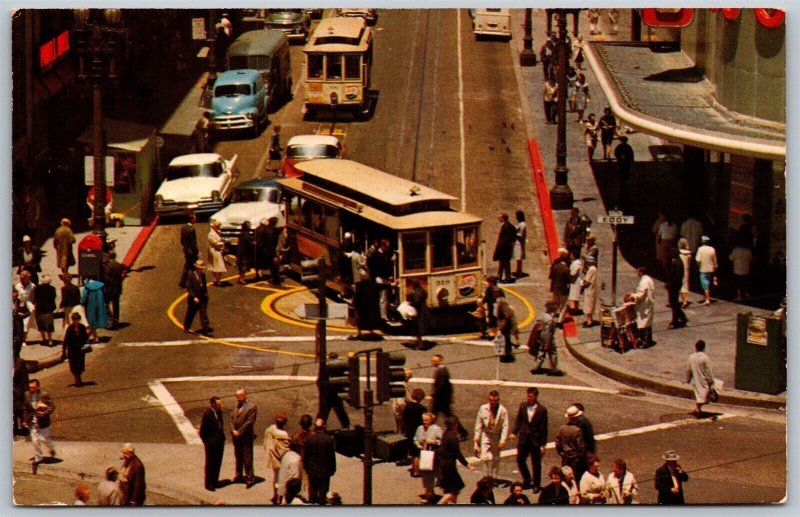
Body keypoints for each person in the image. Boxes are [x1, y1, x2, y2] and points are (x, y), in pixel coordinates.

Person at [509, 387, 548, 492]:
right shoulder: (523, 406)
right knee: (520, 460)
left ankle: (536, 485)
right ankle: (527, 478)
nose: (529, 398)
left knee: (536, 463)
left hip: (535, 440)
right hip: (523, 439)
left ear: (535, 396)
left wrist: (543, 444)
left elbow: (544, 428)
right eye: (528, 396)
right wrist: (514, 432)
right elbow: (519, 420)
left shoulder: (542, 410)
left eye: (531, 397)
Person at [473, 390, 509, 481]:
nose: (493, 403)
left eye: (495, 401)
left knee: (495, 457)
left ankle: (494, 477)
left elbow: (505, 425)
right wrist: (477, 437)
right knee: (484, 457)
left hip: (496, 434)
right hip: (486, 433)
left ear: (498, 400)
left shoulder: (502, 410)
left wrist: (503, 440)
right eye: (491, 401)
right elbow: (479, 423)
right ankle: (485, 477)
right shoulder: (483, 408)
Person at [437, 416, 474, 504]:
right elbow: (458, 454)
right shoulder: (453, 438)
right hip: (450, 465)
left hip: (443, 464)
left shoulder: (445, 434)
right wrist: (467, 465)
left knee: (449, 489)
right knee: (455, 489)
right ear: (454, 425)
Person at [23, 379, 56, 473]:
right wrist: (25, 420)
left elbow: (52, 406)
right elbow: (25, 408)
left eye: (33, 387)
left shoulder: (44, 394)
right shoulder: (27, 395)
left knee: (43, 439)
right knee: (35, 440)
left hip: (43, 421)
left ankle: (51, 448)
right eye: (30, 387)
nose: (31, 389)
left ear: (37, 387)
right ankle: (38, 458)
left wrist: (44, 413)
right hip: (32, 421)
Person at [303, 418, 336, 505]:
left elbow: (305, 456)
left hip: (312, 470)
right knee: (323, 491)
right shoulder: (329, 440)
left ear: (315, 427)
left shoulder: (308, 439)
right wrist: (333, 469)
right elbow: (331, 457)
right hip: (324, 471)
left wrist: (306, 467)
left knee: (312, 490)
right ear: (324, 426)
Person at [231, 388, 257, 488]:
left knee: (247, 458)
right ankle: (238, 475)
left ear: (245, 396)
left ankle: (250, 478)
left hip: (245, 437)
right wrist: (233, 430)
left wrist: (239, 432)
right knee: (238, 457)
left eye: (239, 396)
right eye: (236, 396)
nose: (237, 398)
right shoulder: (235, 406)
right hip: (236, 437)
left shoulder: (252, 407)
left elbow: (250, 422)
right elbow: (231, 419)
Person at [414, 412, 443, 503]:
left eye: (426, 420)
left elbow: (443, 440)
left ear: (431, 420)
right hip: (423, 455)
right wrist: (418, 444)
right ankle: (430, 494)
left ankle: (428, 496)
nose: (424, 422)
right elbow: (415, 438)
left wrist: (434, 442)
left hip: (434, 455)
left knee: (433, 474)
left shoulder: (436, 429)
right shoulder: (420, 428)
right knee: (426, 475)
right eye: (423, 420)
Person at [264, 411, 291, 504]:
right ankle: (279, 498)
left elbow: (266, 442)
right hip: (281, 460)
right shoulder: (284, 435)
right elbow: (285, 449)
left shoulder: (270, 429)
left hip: (273, 458)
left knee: (276, 478)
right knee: (281, 479)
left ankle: (275, 495)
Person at [199, 395, 225, 492]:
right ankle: (208, 483)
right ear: (213, 404)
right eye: (218, 404)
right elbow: (202, 432)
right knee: (210, 464)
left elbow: (220, 426)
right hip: (211, 445)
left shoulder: (219, 412)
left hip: (219, 443)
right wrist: (208, 443)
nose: (220, 406)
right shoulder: (207, 414)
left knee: (217, 463)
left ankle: (215, 481)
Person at [555, 405, 587, 483]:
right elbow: (581, 447)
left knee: (565, 475)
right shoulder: (577, 430)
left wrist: (561, 452)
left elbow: (558, 443)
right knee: (575, 477)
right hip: (574, 458)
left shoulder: (562, 428)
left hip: (564, 456)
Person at [531, 300, 563, 375]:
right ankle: (554, 368)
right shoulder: (550, 319)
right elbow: (548, 332)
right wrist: (547, 343)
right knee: (553, 352)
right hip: (548, 338)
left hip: (541, 336)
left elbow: (536, 325)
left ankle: (537, 366)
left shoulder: (542, 315)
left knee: (541, 351)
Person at [687, 340, 716, 418]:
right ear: (704, 347)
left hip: (695, 380)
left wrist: (688, 379)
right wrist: (711, 380)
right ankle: (698, 408)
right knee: (704, 396)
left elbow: (689, 370)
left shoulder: (691, 357)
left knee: (699, 395)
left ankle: (698, 408)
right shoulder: (705, 358)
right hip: (704, 380)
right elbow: (708, 370)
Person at [322, 352, 351, 429]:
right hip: (337, 391)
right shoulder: (340, 366)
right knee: (340, 411)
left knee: (325, 413)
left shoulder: (327, 366)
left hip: (329, 392)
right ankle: (346, 426)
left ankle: (321, 427)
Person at [184, 260, 213, 336]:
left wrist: (206, 295)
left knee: (203, 314)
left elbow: (204, 286)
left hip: (202, 297)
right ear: (196, 268)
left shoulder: (203, 275)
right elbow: (189, 287)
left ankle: (205, 329)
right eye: (199, 268)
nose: (200, 269)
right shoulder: (190, 275)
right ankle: (186, 327)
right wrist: (194, 297)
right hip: (194, 299)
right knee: (191, 313)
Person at [402, 388, 426, 477]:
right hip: (417, 432)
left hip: (409, 431)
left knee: (412, 452)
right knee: (417, 453)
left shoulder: (407, 407)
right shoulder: (422, 409)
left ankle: (412, 468)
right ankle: (417, 471)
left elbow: (403, 418)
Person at [63, 312, 89, 387]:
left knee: (80, 366)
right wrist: (64, 350)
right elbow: (66, 340)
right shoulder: (70, 329)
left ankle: (78, 378)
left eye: (77, 320)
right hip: (72, 351)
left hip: (80, 350)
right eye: (75, 320)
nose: (76, 321)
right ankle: (77, 380)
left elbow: (85, 337)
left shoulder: (82, 327)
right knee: (73, 366)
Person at [631, 266, 655, 348]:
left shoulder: (644, 281)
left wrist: (633, 296)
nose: (637, 274)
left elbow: (641, 294)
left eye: (637, 272)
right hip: (648, 304)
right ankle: (649, 340)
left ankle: (645, 342)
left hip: (644, 306)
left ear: (641, 272)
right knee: (647, 324)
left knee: (643, 324)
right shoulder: (649, 279)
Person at [31, 274, 56, 347]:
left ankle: (44, 339)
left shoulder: (37, 288)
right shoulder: (52, 288)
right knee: (49, 325)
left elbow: (34, 298)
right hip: (49, 308)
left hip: (40, 308)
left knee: (41, 324)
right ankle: (50, 340)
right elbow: (53, 297)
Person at [81, 275, 107, 343]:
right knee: (93, 322)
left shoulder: (87, 287)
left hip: (90, 306)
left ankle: (88, 338)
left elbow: (84, 297)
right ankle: (95, 337)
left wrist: (81, 302)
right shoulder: (100, 285)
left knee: (90, 322)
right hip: (99, 305)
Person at [408, 279, 433, 349]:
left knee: (418, 328)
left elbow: (416, 302)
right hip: (422, 310)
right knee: (418, 329)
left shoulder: (417, 292)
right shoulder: (421, 290)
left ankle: (420, 344)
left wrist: (410, 303)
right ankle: (418, 342)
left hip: (419, 312)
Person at [666, 247, 688, 329]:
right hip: (674, 284)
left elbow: (676, 276)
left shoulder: (676, 262)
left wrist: (670, 284)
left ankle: (675, 321)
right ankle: (682, 317)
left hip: (674, 285)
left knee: (674, 304)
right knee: (674, 303)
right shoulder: (677, 261)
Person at [104, 251, 125, 329]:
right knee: (116, 304)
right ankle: (116, 319)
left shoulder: (108, 266)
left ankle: (110, 319)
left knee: (105, 304)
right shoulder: (119, 265)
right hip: (117, 288)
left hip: (109, 288)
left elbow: (107, 277)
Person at [493, 213, 517, 284]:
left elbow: (504, 238)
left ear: (503, 218)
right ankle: (500, 276)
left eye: (499, 218)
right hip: (505, 248)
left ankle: (507, 277)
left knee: (505, 263)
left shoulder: (505, 226)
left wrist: (502, 245)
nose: (498, 219)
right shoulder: (509, 226)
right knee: (502, 263)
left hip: (504, 248)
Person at [277, 440, 302, 505]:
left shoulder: (286, 454)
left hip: (283, 484)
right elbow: (295, 475)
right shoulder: (297, 458)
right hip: (290, 488)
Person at [729, 235, 754, 300]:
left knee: (738, 283)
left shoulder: (736, 250)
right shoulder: (748, 250)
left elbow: (730, 258)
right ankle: (746, 293)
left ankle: (739, 296)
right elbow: (751, 258)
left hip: (737, 269)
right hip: (746, 269)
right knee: (745, 282)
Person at [695, 235, 718, 306]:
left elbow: (698, 260)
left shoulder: (700, 249)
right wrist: (715, 266)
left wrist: (698, 266)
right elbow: (715, 260)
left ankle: (707, 299)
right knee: (708, 283)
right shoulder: (712, 249)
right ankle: (705, 296)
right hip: (711, 269)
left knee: (705, 284)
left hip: (703, 269)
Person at [495, 296, 519, 362]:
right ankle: (506, 354)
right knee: (506, 340)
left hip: (504, 328)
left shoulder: (502, 306)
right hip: (505, 327)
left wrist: (501, 327)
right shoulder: (504, 308)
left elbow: (505, 319)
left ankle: (505, 354)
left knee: (505, 341)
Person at [179, 211, 199, 289]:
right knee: (194, 267)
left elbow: (182, 240)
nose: (196, 219)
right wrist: (196, 252)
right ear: (191, 219)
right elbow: (193, 243)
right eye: (194, 217)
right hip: (192, 252)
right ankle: (194, 281)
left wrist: (185, 248)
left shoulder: (183, 228)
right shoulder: (192, 230)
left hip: (186, 250)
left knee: (187, 266)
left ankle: (182, 282)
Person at [614, 136, 635, 208]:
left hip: (625, 163)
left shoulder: (623, 147)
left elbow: (631, 156)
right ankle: (623, 183)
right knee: (623, 174)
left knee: (624, 174)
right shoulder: (625, 147)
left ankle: (624, 183)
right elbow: (616, 154)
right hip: (623, 163)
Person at [206, 220, 227, 286]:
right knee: (215, 265)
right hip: (214, 251)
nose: (218, 228)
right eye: (217, 226)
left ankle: (218, 279)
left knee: (219, 265)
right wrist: (223, 243)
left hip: (218, 250)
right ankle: (216, 278)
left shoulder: (217, 232)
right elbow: (215, 243)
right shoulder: (211, 234)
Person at [581, 255, 598, 326]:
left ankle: (589, 321)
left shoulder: (591, 270)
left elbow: (587, 280)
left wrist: (582, 283)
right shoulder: (593, 269)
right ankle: (589, 320)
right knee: (589, 305)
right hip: (591, 289)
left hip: (589, 289)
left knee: (588, 305)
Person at [678, 238, 693, 308]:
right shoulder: (689, 253)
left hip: (679, 270)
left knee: (680, 285)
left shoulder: (678, 252)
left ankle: (684, 301)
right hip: (686, 269)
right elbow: (689, 263)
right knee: (685, 284)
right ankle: (684, 300)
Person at [512, 210, 527, 278]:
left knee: (519, 257)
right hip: (518, 242)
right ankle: (518, 270)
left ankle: (519, 271)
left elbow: (520, 235)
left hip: (519, 243)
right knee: (518, 258)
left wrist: (514, 233)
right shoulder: (520, 224)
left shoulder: (522, 225)